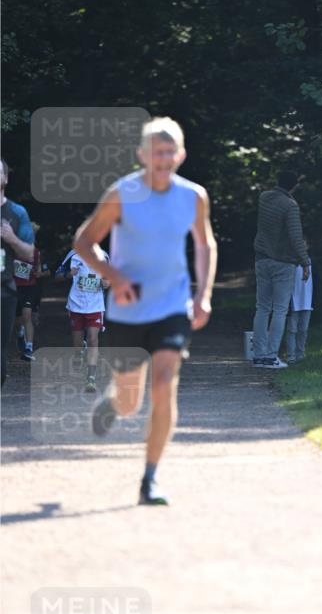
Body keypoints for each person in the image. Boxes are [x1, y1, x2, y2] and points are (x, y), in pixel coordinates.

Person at [73, 116, 217, 506]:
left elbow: (204, 244)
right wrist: (114, 276)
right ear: (142, 155)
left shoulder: (193, 196)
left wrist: (202, 295)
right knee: (130, 401)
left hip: (172, 305)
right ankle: (113, 403)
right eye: (157, 152)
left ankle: (149, 478)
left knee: (165, 379)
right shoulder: (122, 194)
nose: (164, 158)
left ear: (181, 155)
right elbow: (84, 242)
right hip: (128, 310)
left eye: (170, 152)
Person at [252, 169, 310, 369]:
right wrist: (305, 261)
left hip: (261, 259)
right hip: (283, 263)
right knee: (280, 310)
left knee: (262, 307)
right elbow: (295, 236)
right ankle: (271, 356)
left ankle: (258, 355)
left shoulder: (264, 198)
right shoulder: (290, 205)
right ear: (294, 186)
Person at [0, 159, 35, 386]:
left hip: (4, 290)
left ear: (5, 178)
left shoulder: (17, 212)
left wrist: (11, 238)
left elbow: (29, 254)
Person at [64, 247, 110, 392]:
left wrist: (106, 283)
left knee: (92, 339)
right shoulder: (73, 255)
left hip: (95, 305)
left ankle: (91, 378)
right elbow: (57, 275)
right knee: (77, 344)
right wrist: (68, 274)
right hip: (76, 304)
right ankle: (79, 352)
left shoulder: (104, 256)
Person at [14, 222, 50, 362]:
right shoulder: (13, 249)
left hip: (30, 287)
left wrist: (38, 273)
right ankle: (20, 334)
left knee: (27, 315)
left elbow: (40, 270)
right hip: (15, 288)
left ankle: (29, 348)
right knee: (18, 321)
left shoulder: (36, 252)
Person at [285, 260, 313, 364]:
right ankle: (291, 356)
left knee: (304, 329)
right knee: (291, 329)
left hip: (307, 300)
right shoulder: (290, 260)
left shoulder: (309, 261)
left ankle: (300, 354)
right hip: (293, 299)